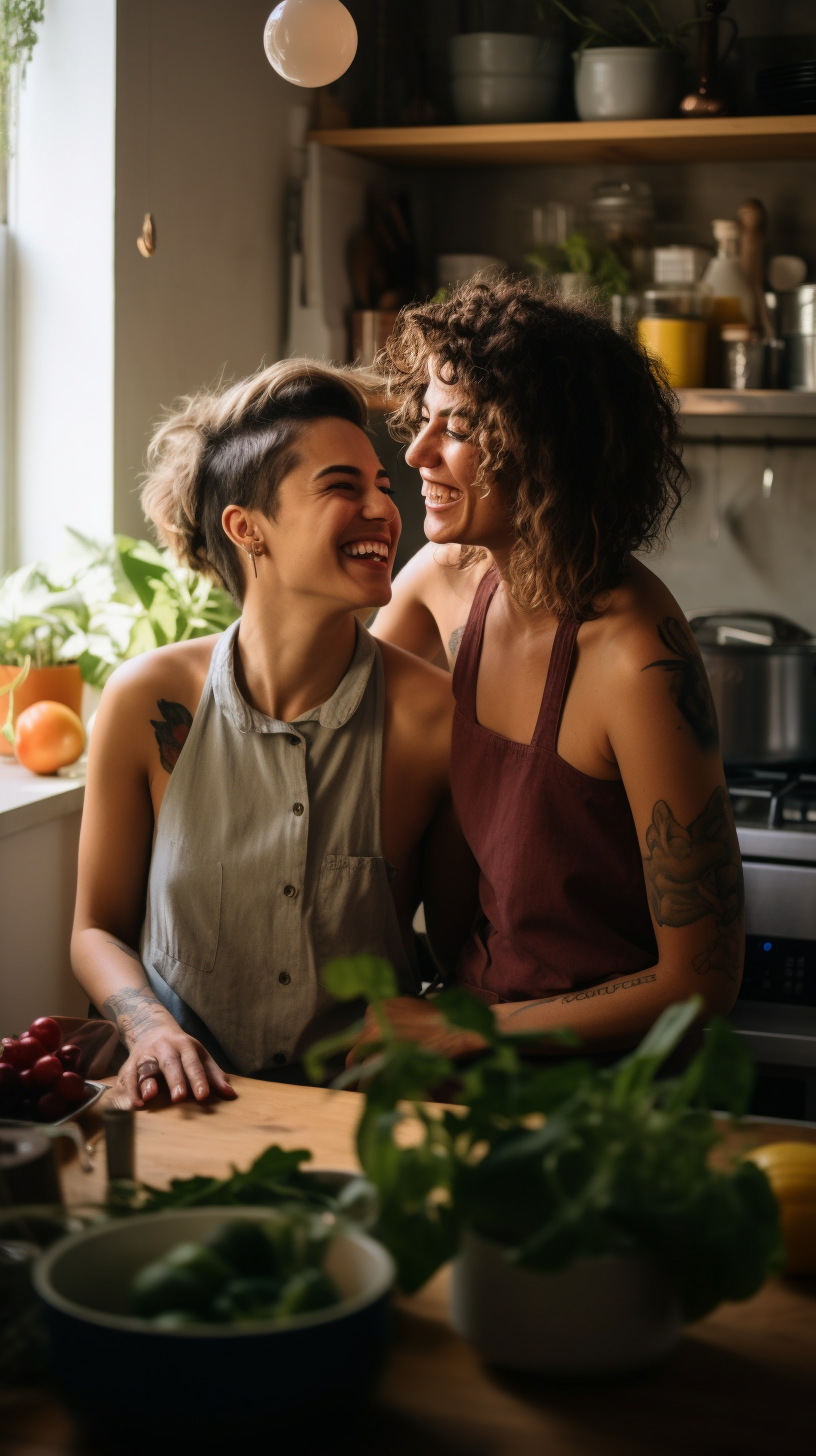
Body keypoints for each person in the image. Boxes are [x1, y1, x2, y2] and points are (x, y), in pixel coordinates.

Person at [71, 360, 475, 1109]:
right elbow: (96, 928)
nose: (383, 511)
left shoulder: (436, 719)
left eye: (381, 486)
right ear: (246, 527)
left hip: (359, 1115)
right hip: (183, 1104)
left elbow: (464, 958)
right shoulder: (144, 702)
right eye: (341, 487)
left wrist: (436, 1024)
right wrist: (151, 1029)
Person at [361, 277, 743, 1061]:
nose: (415, 452)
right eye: (423, 421)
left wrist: (461, 1035)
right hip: (472, 1038)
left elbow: (700, 982)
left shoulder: (636, 654)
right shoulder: (444, 578)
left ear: (540, 447)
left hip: (604, 1084)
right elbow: (334, 707)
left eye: (456, 428)